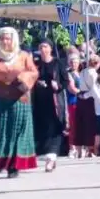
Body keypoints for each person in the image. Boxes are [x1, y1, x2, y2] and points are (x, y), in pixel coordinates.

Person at [0, 27, 39, 178]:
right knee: (2, 131)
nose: (5, 41)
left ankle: (15, 165)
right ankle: (1, 163)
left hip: (20, 97)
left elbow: (34, 72)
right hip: (1, 97)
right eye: (2, 38)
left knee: (18, 131)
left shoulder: (24, 56)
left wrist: (23, 79)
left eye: (8, 38)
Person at [31, 41, 65, 172]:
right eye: (40, 47)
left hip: (55, 102)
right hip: (40, 102)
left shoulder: (58, 63)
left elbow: (66, 81)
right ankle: (51, 157)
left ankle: (51, 158)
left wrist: (58, 85)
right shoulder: (36, 65)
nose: (43, 49)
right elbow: (30, 79)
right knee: (44, 130)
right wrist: (36, 83)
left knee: (55, 130)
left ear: (50, 48)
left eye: (45, 46)